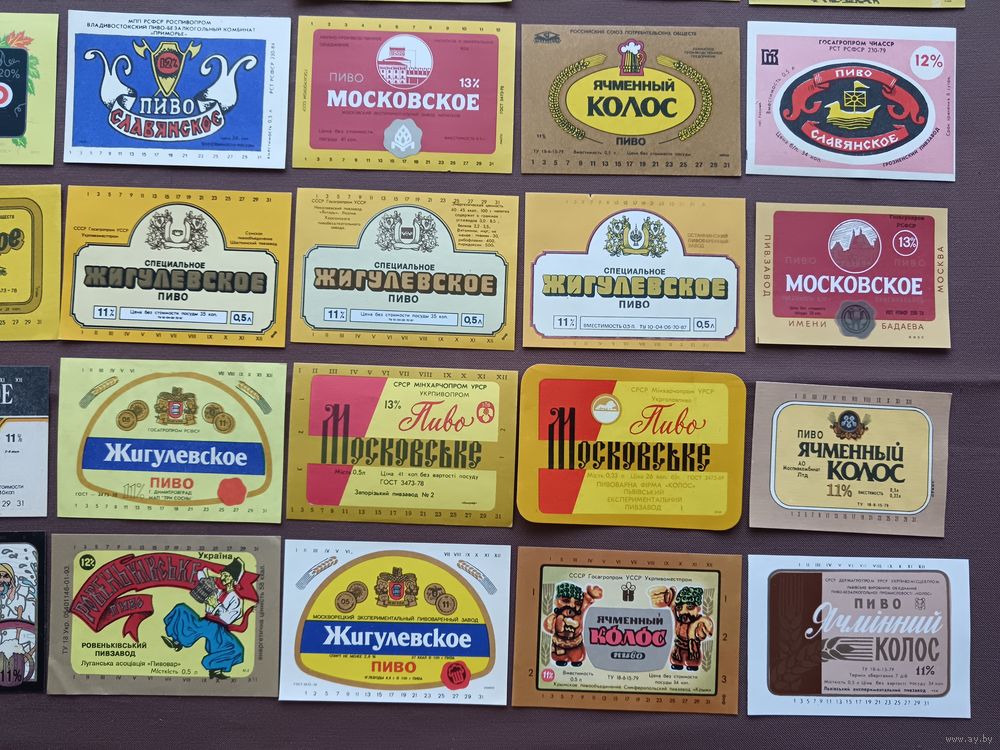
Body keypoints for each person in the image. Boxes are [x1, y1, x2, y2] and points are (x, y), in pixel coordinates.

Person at [161, 558, 248, 680]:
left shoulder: (236, 599)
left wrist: (216, 605)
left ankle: (215, 670)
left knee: (235, 648)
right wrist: (209, 572)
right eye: (223, 574)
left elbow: (228, 619)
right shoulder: (217, 591)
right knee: (182, 610)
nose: (223, 577)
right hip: (206, 622)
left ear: (233, 580)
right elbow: (201, 575)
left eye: (227, 576)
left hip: (218, 628)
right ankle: (176, 642)